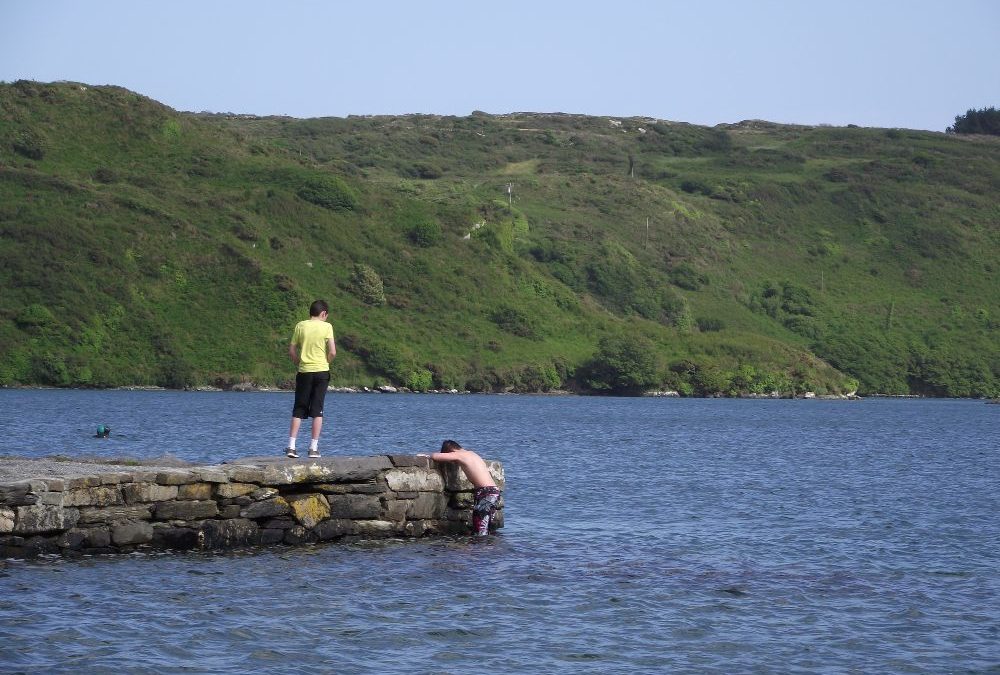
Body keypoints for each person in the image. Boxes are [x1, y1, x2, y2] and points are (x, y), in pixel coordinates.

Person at [285, 299, 336, 459]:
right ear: (323, 313)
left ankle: (291, 447)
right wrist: (326, 362)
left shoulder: (300, 325)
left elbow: (292, 351)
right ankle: (313, 448)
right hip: (321, 371)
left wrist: (299, 362)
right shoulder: (327, 327)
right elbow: (333, 352)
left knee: (299, 408)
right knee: (317, 410)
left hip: (304, 371)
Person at [420, 440, 501, 535]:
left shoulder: (459, 455)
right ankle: (488, 548)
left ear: (450, 451)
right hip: (493, 491)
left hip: (486, 493)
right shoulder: (472, 454)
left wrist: (426, 455)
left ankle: (480, 548)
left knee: (480, 527)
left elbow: (435, 456)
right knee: (487, 526)